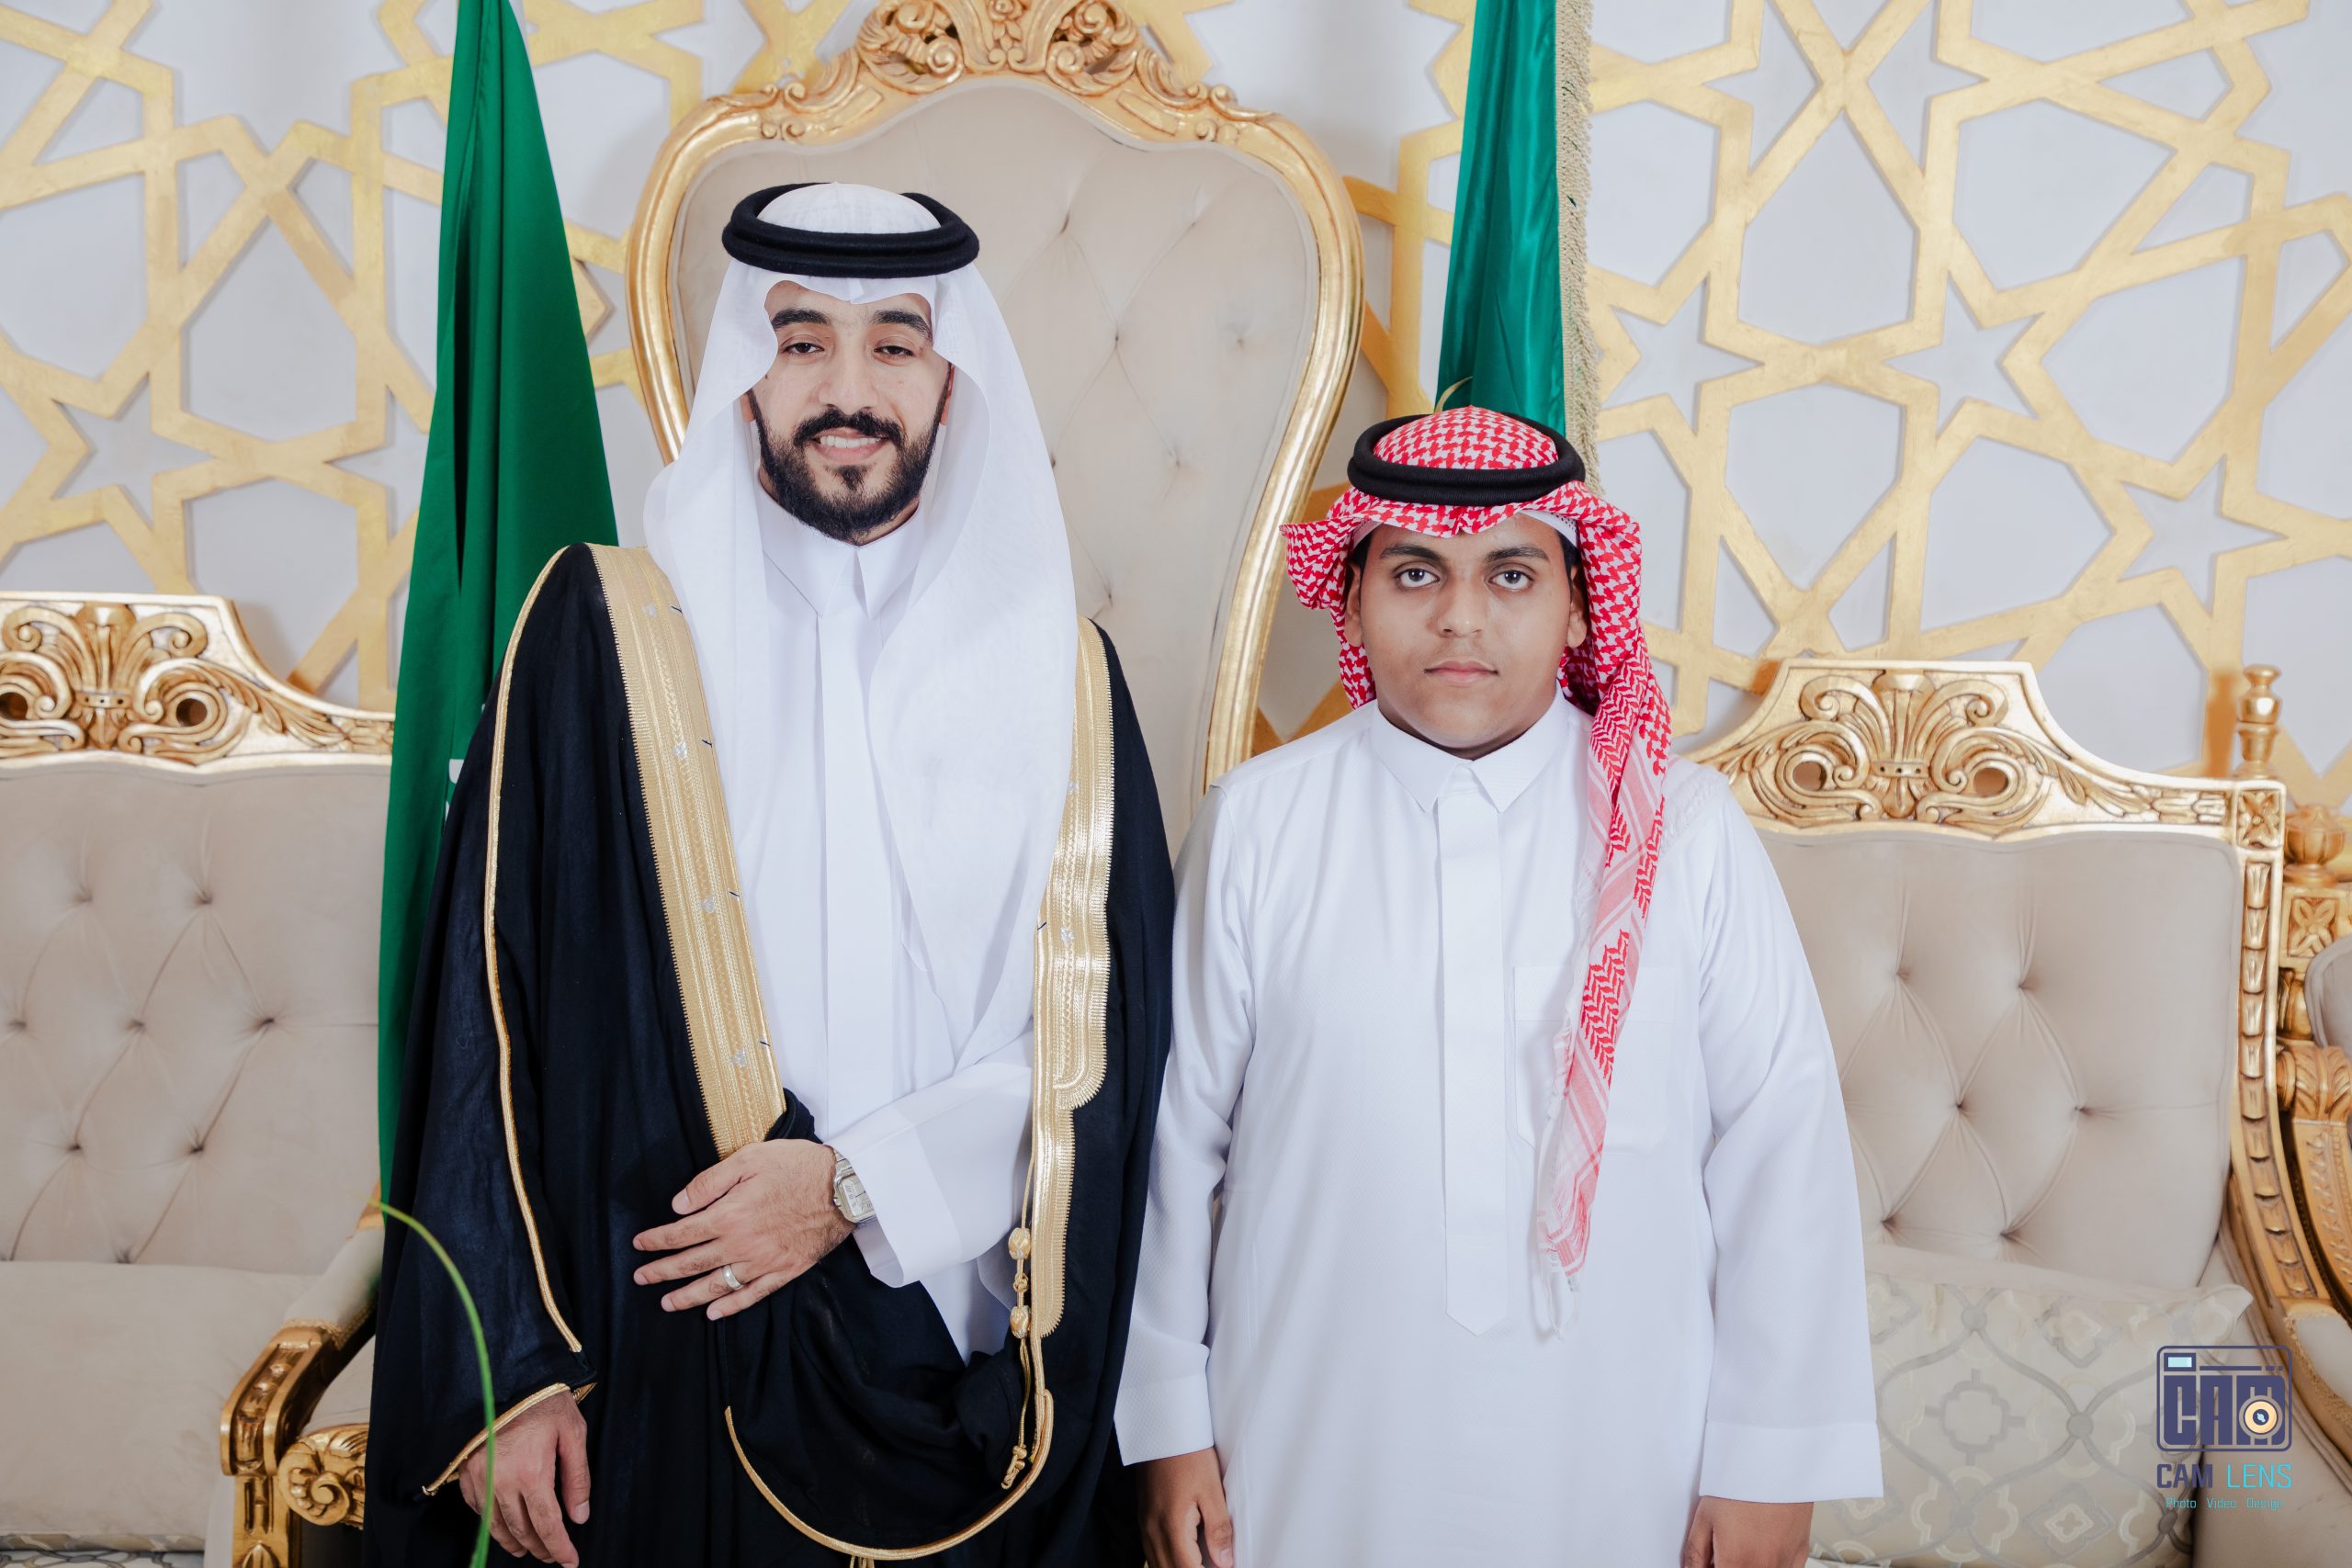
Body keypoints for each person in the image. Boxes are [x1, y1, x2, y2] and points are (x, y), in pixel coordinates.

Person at [368, 183, 1172, 1567]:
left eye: (895, 344)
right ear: (748, 371)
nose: (848, 390)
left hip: (973, 1356)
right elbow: (481, 1017)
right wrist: (507, 1367)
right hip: (662, 1346)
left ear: (952, 379)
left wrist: (860, 1184)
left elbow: (1105, 1046)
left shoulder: (1068, 683)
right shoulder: (602, 637)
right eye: (803, 342)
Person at [1117, 407, 1881, 1567]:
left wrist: (1772, 1462)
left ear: (1578, 606)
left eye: (1511, 575)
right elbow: (1170, 1151)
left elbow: (1783, 1147)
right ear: (1351, 601)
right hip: (1312, 1438)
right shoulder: (1261, 823)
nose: (1460, 617)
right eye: (1414, 572)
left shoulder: (1684, 829)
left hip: (1625, 1451)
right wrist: (1167, 1424)